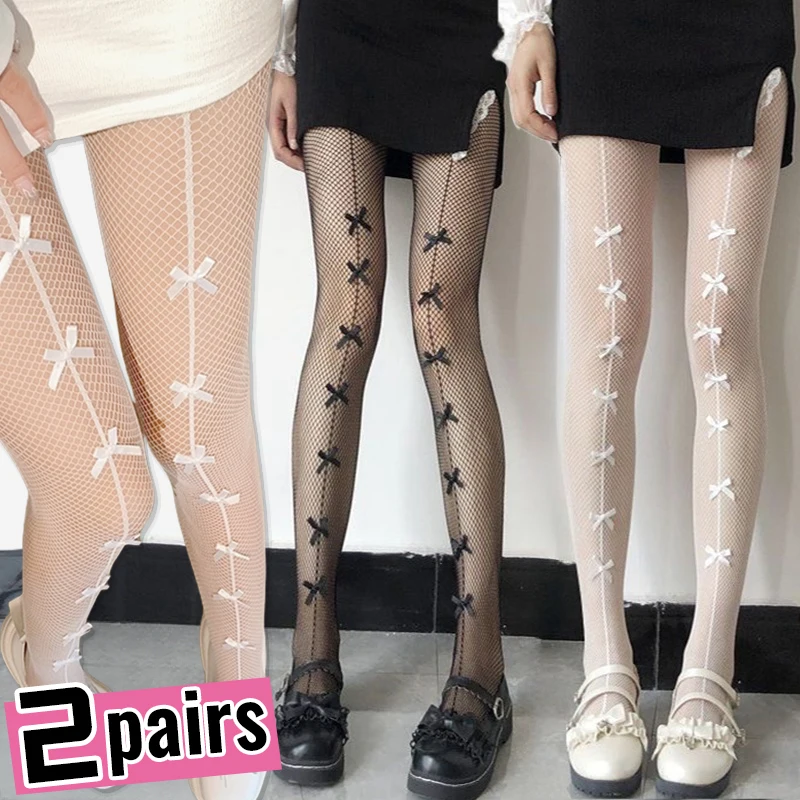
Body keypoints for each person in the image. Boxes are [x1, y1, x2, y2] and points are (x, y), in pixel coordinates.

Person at [500, 1, 795, 797]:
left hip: (740, 21)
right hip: (604, 20)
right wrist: (527, 19)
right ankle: (605, 661)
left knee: (721, 330)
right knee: (606, 331)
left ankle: (711, 662)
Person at [0, 3, 280, 798]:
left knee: (200, 420)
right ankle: (45, 664)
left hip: (182, 28)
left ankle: (237, 685)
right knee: (102, 494)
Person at [268, 2, 510, 798]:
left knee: (441, 312)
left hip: (466, 21)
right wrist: (284, 53)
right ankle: (312, 651)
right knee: (347, 307)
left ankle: (481, 666)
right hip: (341, 21)